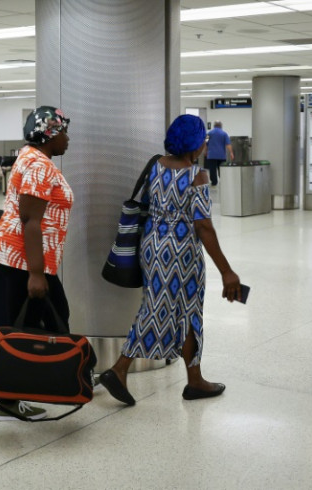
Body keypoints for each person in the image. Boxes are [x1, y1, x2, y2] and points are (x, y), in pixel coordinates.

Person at [99, 114, 242, 406]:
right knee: (168, 310)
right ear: (194, 142)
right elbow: (203, 226)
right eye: (201, 139)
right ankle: (120, 369)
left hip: (152, 246)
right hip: (181, 252)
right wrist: (227, 271)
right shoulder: (195, 176)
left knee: (169, 307)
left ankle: (194, 380)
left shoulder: (156, 165)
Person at [0, 106, 73, 421]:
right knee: (30, 327)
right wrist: (37, 274)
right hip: (25, 262)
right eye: (63, 131)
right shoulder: (39, 164)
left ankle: (30, 389)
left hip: (24, 259)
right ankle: (10, 401)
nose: (67, 138)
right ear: (49, 133)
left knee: (39, 322)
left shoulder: (30, 157)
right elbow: (30, 219)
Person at [204, 120, 234, 186]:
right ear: (221, 126)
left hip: (211, 155)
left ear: (214, 125)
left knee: (212, 170)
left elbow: (205, 143)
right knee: (222, 170)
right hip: (221, 156)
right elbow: (228, 144)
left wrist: (205, 151)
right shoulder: (224, 134)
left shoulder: (209, 134)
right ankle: (223, 181)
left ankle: (214, 182)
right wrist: (231, 153)